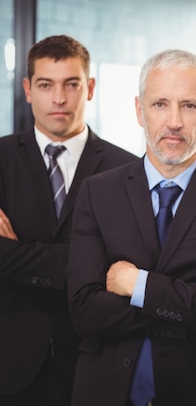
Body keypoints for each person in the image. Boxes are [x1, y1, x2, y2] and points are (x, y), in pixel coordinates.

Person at [66, 49, 196, 406]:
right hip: (105, 391)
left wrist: (137, 285)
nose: (174, 121)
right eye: (160, 105)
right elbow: (84, 311)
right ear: (139, 110)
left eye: (188, 106)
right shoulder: (98, 191)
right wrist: (190, 302)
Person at [0, 34, 137, 406]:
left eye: (71, 84)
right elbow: (104, 269)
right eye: (46, 85)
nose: (58, 99)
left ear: (89, 88)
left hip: (96, 361)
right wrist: (90, 263)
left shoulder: (127, 170)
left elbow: (131, 265)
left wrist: (18, 254)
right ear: (28, 89)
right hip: (10, 366)